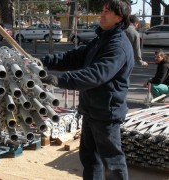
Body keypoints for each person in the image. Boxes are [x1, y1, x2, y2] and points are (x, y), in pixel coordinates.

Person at [41, 0, 134, 179]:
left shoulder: (118, 46)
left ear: (119, 18)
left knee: (113, 163)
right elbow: (74, 57)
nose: (102, 14)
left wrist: (58, 80)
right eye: (102, 10)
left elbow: (95, 75)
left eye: (107, 11)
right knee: (90, 158)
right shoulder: (102, 39)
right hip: (91, 110)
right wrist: (43, 62)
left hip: (106, 114)